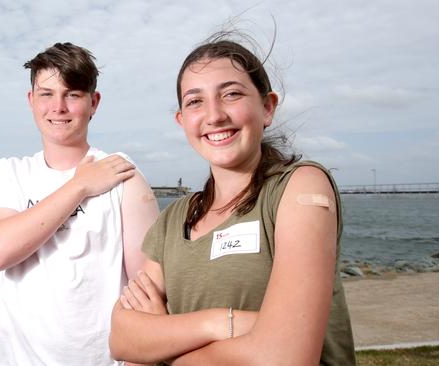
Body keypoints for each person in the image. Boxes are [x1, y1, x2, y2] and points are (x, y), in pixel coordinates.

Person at [109, 34, 356, 365]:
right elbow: (123, 338)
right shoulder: (174, 219)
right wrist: (223, 324)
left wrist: (165, 340)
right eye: (195, 101)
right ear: (182, 120)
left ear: (267, 107)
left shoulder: (299, 188)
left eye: (231, 94)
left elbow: (284, 358)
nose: (214, 115)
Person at [0, 42, 159, 365]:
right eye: (46, 94)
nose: (58, 107)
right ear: (31, 101)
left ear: (93, 102)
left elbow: (148, 291)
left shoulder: (122, 174)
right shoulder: (10, 172)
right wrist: (80, 185)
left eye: (72, 94)